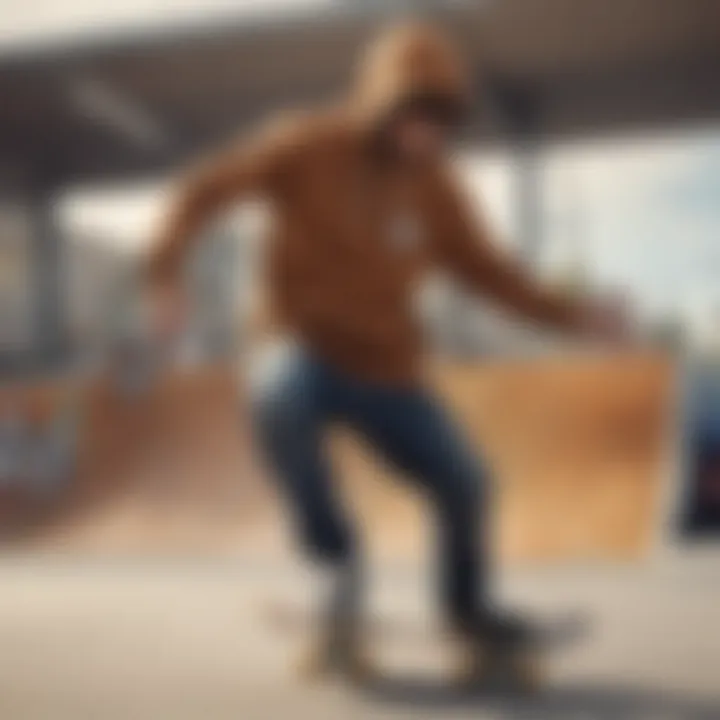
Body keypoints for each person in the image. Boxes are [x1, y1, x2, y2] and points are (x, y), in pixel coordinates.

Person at [145, 21, 627, 678]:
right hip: (302, 347)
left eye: (442, 124)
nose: (427, 138)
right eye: (415, 117)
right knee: (279, 395)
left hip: (388, 370)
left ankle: (467, 610)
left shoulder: (440, 190)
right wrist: (165, 272)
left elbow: (491, 273)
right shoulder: (306, 144)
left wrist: (574, 316)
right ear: (381, 104)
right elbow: (205, 189)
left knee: (465, 480)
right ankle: (338, 564)